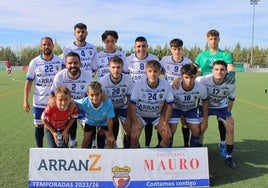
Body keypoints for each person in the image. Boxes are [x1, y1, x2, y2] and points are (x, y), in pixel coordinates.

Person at [194, 29, 235, 157]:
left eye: (215, 38)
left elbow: (230, 68)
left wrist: (232, 73)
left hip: (220, 90)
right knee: (202, 125)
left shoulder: (225, 55)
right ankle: (199, 150)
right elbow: (193, 69)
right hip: (205, 89)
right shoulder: (202, 55)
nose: (213, 41)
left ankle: (223, 144)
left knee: (223, 123)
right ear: (207, 40)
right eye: (211, 39)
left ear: (219, 39)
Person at [23, 37, 65, 147]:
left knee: (57, 126)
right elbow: (28, 82)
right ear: (41, 46)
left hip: (56, 102)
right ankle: (39, 150)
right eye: (44, 45)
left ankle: (58, 150)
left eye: (49, 44)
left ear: (53, 46)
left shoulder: (59, 62)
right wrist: (25, 100)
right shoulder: (34, 62)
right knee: (39, 126)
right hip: (39, 101)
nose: (46, 46)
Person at [196, 60, 236, 169]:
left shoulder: (231, 83)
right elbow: (188, 79)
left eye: (222, 70)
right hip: (205, 106)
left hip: (221, 107)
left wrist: (228, 114)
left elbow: (231, 100)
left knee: (230, 126)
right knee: (201, 128)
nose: (219, 72)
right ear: (212, 70)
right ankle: (198, 152)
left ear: (226, 71)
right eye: (216, 69)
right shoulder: (203, 80)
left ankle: (228, 155)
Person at [63, 23, 97, 147]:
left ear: (86, 33)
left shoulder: (93, 48)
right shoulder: (67, 49)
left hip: (86, 86)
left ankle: (92, 142)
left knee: (88, 120)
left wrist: (87, 79)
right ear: (74, 33)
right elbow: (65, 66)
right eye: (78, 32)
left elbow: (94, 67)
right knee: (72, 116)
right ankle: (73, 140)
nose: (81, 34)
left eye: (83, 32)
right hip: (72, 84)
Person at [50, 52, 93, 147]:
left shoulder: (87, 77)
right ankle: (72, 141)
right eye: (70, 63)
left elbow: (92, 96)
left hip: (83, 107)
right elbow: (52, 94)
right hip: (66, 107)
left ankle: (86, 152)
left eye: (75, 62)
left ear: (80, 63)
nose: (73, 65)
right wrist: (51, 101)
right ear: (66, 64)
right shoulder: (60, 76)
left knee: (89, 132)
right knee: (68, 119)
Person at [92, 30, 126, 148]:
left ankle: (114, 142)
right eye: (107, 41)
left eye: (112, 41)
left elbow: (125, 73)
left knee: (115, 120)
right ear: (104, 42)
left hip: (118, 93)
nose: (110, 43)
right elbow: (92, 72)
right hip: (103, 94)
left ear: (116, 41)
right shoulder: (98, 55)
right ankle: (101, 148)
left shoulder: (122, 54)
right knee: (102, 125)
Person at [123, 36, 159, 148]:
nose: (141, 48)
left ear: (147, 47)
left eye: (143, 46)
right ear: (134, 47)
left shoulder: (154, 58)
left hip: (149, 94)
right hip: (133, 96)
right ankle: (130, 147)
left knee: (148, 121)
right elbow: (124, 75)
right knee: (132, 122)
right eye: (138, 46)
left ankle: (147, 145)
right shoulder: (128, 59)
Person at [129, 60, 174, 148]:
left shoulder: (166, 85)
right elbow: (132, 104)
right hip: (141, 115)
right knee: (133, 137)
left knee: (167, 137)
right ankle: (138, 158)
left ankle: (157, 157)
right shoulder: (139, 84)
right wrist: (135, 122)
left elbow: (169, 105)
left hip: (157, 116)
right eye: (150, 71)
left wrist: (165, 122)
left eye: (155, 71)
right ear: (146, 72)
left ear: (160, 72)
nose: (152, 74)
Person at [160, 38, 193, 147]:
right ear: (171, 49)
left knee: (184, 122)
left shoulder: (187, 62)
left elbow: (191, 76)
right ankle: (166, 145)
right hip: (168, 94)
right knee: (165, 121)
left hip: (183, 95)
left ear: (182, 49)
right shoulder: (164, 60)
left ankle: (186, 145)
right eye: (174, 49)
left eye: (179, 49)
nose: (177, 52)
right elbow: (160, 72)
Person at [169, 64, 209, 147]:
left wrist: (205, 119)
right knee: (171, 130)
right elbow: (166, 102)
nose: (189, 80)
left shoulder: (201, 87)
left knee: (196, 131)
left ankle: (193, 152)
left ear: (196, 76)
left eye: (192, 77)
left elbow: (205, 101)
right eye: (186, 77)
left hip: (191, 109)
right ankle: (167, 151)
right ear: (181, 77)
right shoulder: (174, 86)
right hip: (176, 109)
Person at [99, 56, 133, 148]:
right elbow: (100, 102)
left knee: (129, 130)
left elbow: (130, 100)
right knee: (103, 130)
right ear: (109, 68)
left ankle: (127, 151)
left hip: (122, 106)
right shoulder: (103, 81)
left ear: (122, 68)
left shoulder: (128, 80)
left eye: (118, 67)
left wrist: (129, 118)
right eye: (113, 67)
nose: (116, 70)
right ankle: (104, 150)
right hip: (108, 107)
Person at [74, 81, 115, 149]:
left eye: (97, 94)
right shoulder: (84, 102)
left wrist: (110, 135)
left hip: (104, 122)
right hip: (90, 121)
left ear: (101, 93)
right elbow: (72, 101)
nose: (95, 98)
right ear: (88, 94)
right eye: (92, 95)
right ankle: (82, 156)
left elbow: (110, 120)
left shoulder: (108, 103)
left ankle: (112, 158)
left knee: (110, 140)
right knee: (86, 139)